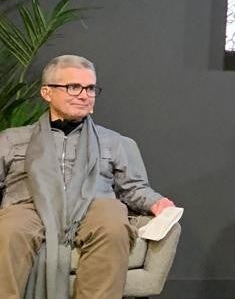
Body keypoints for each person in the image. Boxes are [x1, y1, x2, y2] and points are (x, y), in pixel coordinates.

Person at [0, 55, 176, 299]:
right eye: (73, 87)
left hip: (92, 206)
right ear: (47, 92)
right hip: (29, 205)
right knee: (9, 229)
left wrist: (157, 202)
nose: (84, 95)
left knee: (113, 221)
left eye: (90, 88)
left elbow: (134, 188)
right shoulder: (12, 139)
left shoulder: (115, 143)